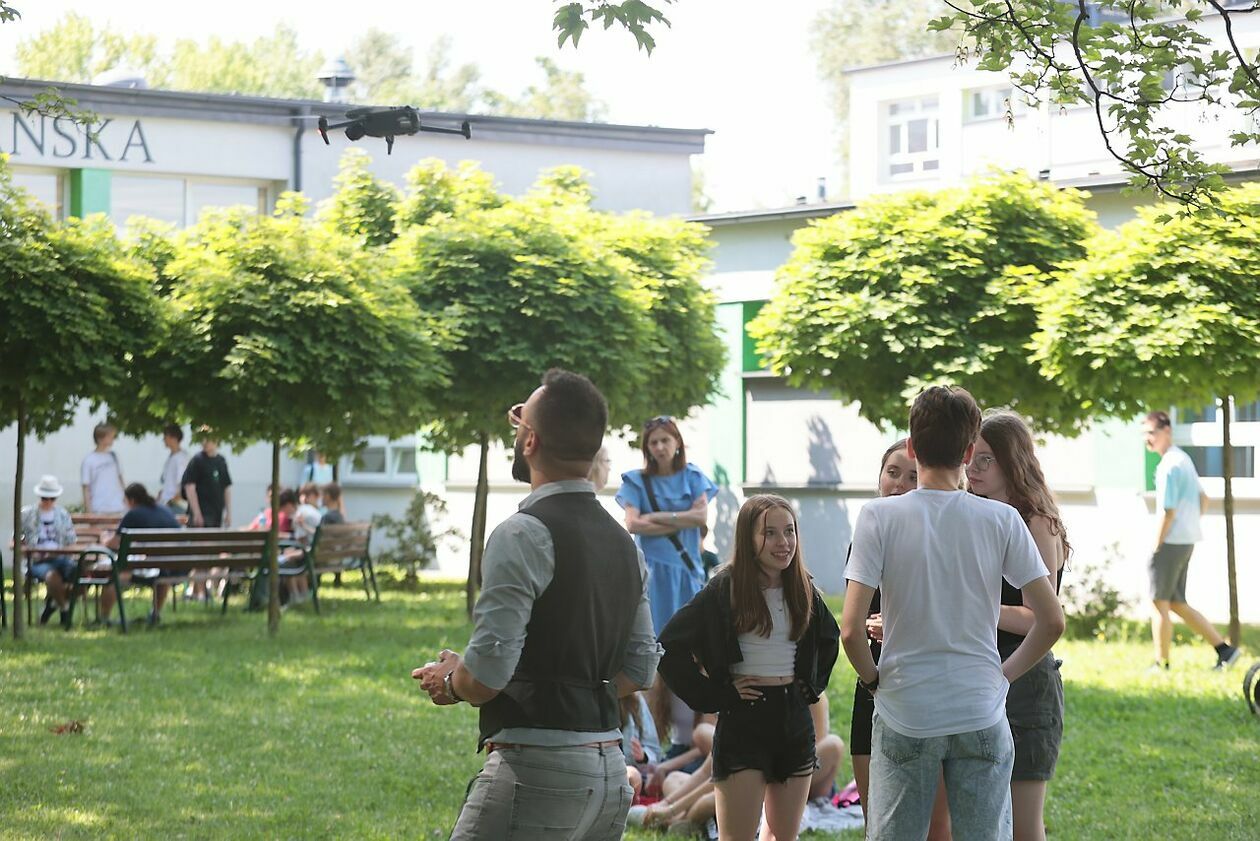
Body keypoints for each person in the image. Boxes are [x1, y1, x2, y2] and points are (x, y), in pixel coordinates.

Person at [412, 369, 660, 841]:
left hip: (537, 772)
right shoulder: (625, 545)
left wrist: (451, 679)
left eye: (519, 420)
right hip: (610, 774)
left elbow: (486, 677)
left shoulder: (521, 534)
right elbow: (641, 669)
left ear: (530, 441)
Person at [842, 386, 1065, 841]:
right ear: (967, 452)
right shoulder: (1001, 519)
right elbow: (1052, 620)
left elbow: (850, 630)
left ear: (911, 447)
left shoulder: (877, 517)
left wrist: (873, 680)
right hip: (980, 710)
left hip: (905, 708)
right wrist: (1003, 676)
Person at [657, 494, 840, 841]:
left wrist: (810, 685)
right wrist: (714, 694)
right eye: (770, 533)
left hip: (793, 721)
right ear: (748, 537)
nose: (783, 542)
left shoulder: (803, 587)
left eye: (789, 531)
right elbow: (669, 646)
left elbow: (830, 638)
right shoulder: (724, 589)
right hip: (743, 721)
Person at [967, 411, 1070, 841]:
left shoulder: (1036, 522)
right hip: (978, 675)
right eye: (970, 456)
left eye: (985, 459)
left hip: (1024, 678)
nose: (972, 468)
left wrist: (971, 608)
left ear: (1013, 462)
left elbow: (1039, 617)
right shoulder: (977, 514)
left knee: (1024, 826)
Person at [849, 440, 951, 840]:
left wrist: (899, 626)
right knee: (876, 823)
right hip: (873, 679)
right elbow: (852, 624)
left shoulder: (940, 537)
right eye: (892, 473)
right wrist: (871, 679)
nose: (900, 484)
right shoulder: (867, 532)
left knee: (935, 828)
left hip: (926, 686)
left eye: (912, 476)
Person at [617, 417, 718, 780]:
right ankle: (647, 744)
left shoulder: (693, 476)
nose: (659, 447)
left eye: (665, 440)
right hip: (651, 577)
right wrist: (680, 518)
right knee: (651, 655)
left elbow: (701, 516)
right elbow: (632, 523)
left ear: (677, 443)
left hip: (686, 577)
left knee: (688, 655)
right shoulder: (636, 481)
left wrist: (655, 517)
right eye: (653, 442)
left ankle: (684, 739)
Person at [1143, 410, 1240, 670]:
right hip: (1186, 539)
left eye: (1151, 432)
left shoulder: (1168, 465)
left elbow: (1168, 511)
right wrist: (1190, 523)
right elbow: (1203, 498)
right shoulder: (1183, 459)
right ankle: (1225, 650)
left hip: (1170, 542)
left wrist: (1156, 544)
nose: (1147, 439)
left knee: (1158, 603)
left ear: (1167, 431)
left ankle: (1160, 663)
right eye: (1144, 434)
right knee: (1176, 602)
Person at [99, 483, 181, 627]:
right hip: (178, 566)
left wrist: (104, 539)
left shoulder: (134, 514)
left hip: (155, 567)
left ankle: (104, 618)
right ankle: (155, 614)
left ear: (131, 500)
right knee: (162, 573)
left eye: (125, 501)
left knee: (114, 577)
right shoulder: (164, 510)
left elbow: (114, 543)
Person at [19, 475, 77, 628]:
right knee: (52, 577)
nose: (48, 501)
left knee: (79, 573)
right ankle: (64, 609)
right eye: (45, 498)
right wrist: (28, 551)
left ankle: (52, 605)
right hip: (37, 560)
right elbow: (15, 541)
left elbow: (71, 541)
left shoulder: (62, 514)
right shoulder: (27, 513)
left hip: (60, 557)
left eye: (52, 498)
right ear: (40, 496)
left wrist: (62, 552)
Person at [182, 432, 232, 529]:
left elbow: (226, 487)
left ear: (216, 440)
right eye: (203, 439)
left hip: (217, 513)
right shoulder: (197, 460)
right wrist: (197, 513)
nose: (204, 442)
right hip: (202, 514)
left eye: (208, 439)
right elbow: (189, 487)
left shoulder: (221, 461)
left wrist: (228, 513)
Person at [81, 422, 126, 514]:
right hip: (99, 508)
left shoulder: (114, 456)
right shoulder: (89, 460)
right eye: (110, 436)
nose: (113, 438)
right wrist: (89, 512)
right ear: (100, 438)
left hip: (118, 506)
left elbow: (121, 480)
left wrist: (126, 500)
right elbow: (86, 488)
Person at [156, 424, 190, 515]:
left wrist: (171, 502)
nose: (163, 440)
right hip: (166, 504)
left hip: (175, 506)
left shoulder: (181, 458)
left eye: (165, 437)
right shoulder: (171, 457)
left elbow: (183, 484)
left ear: (174, 438)